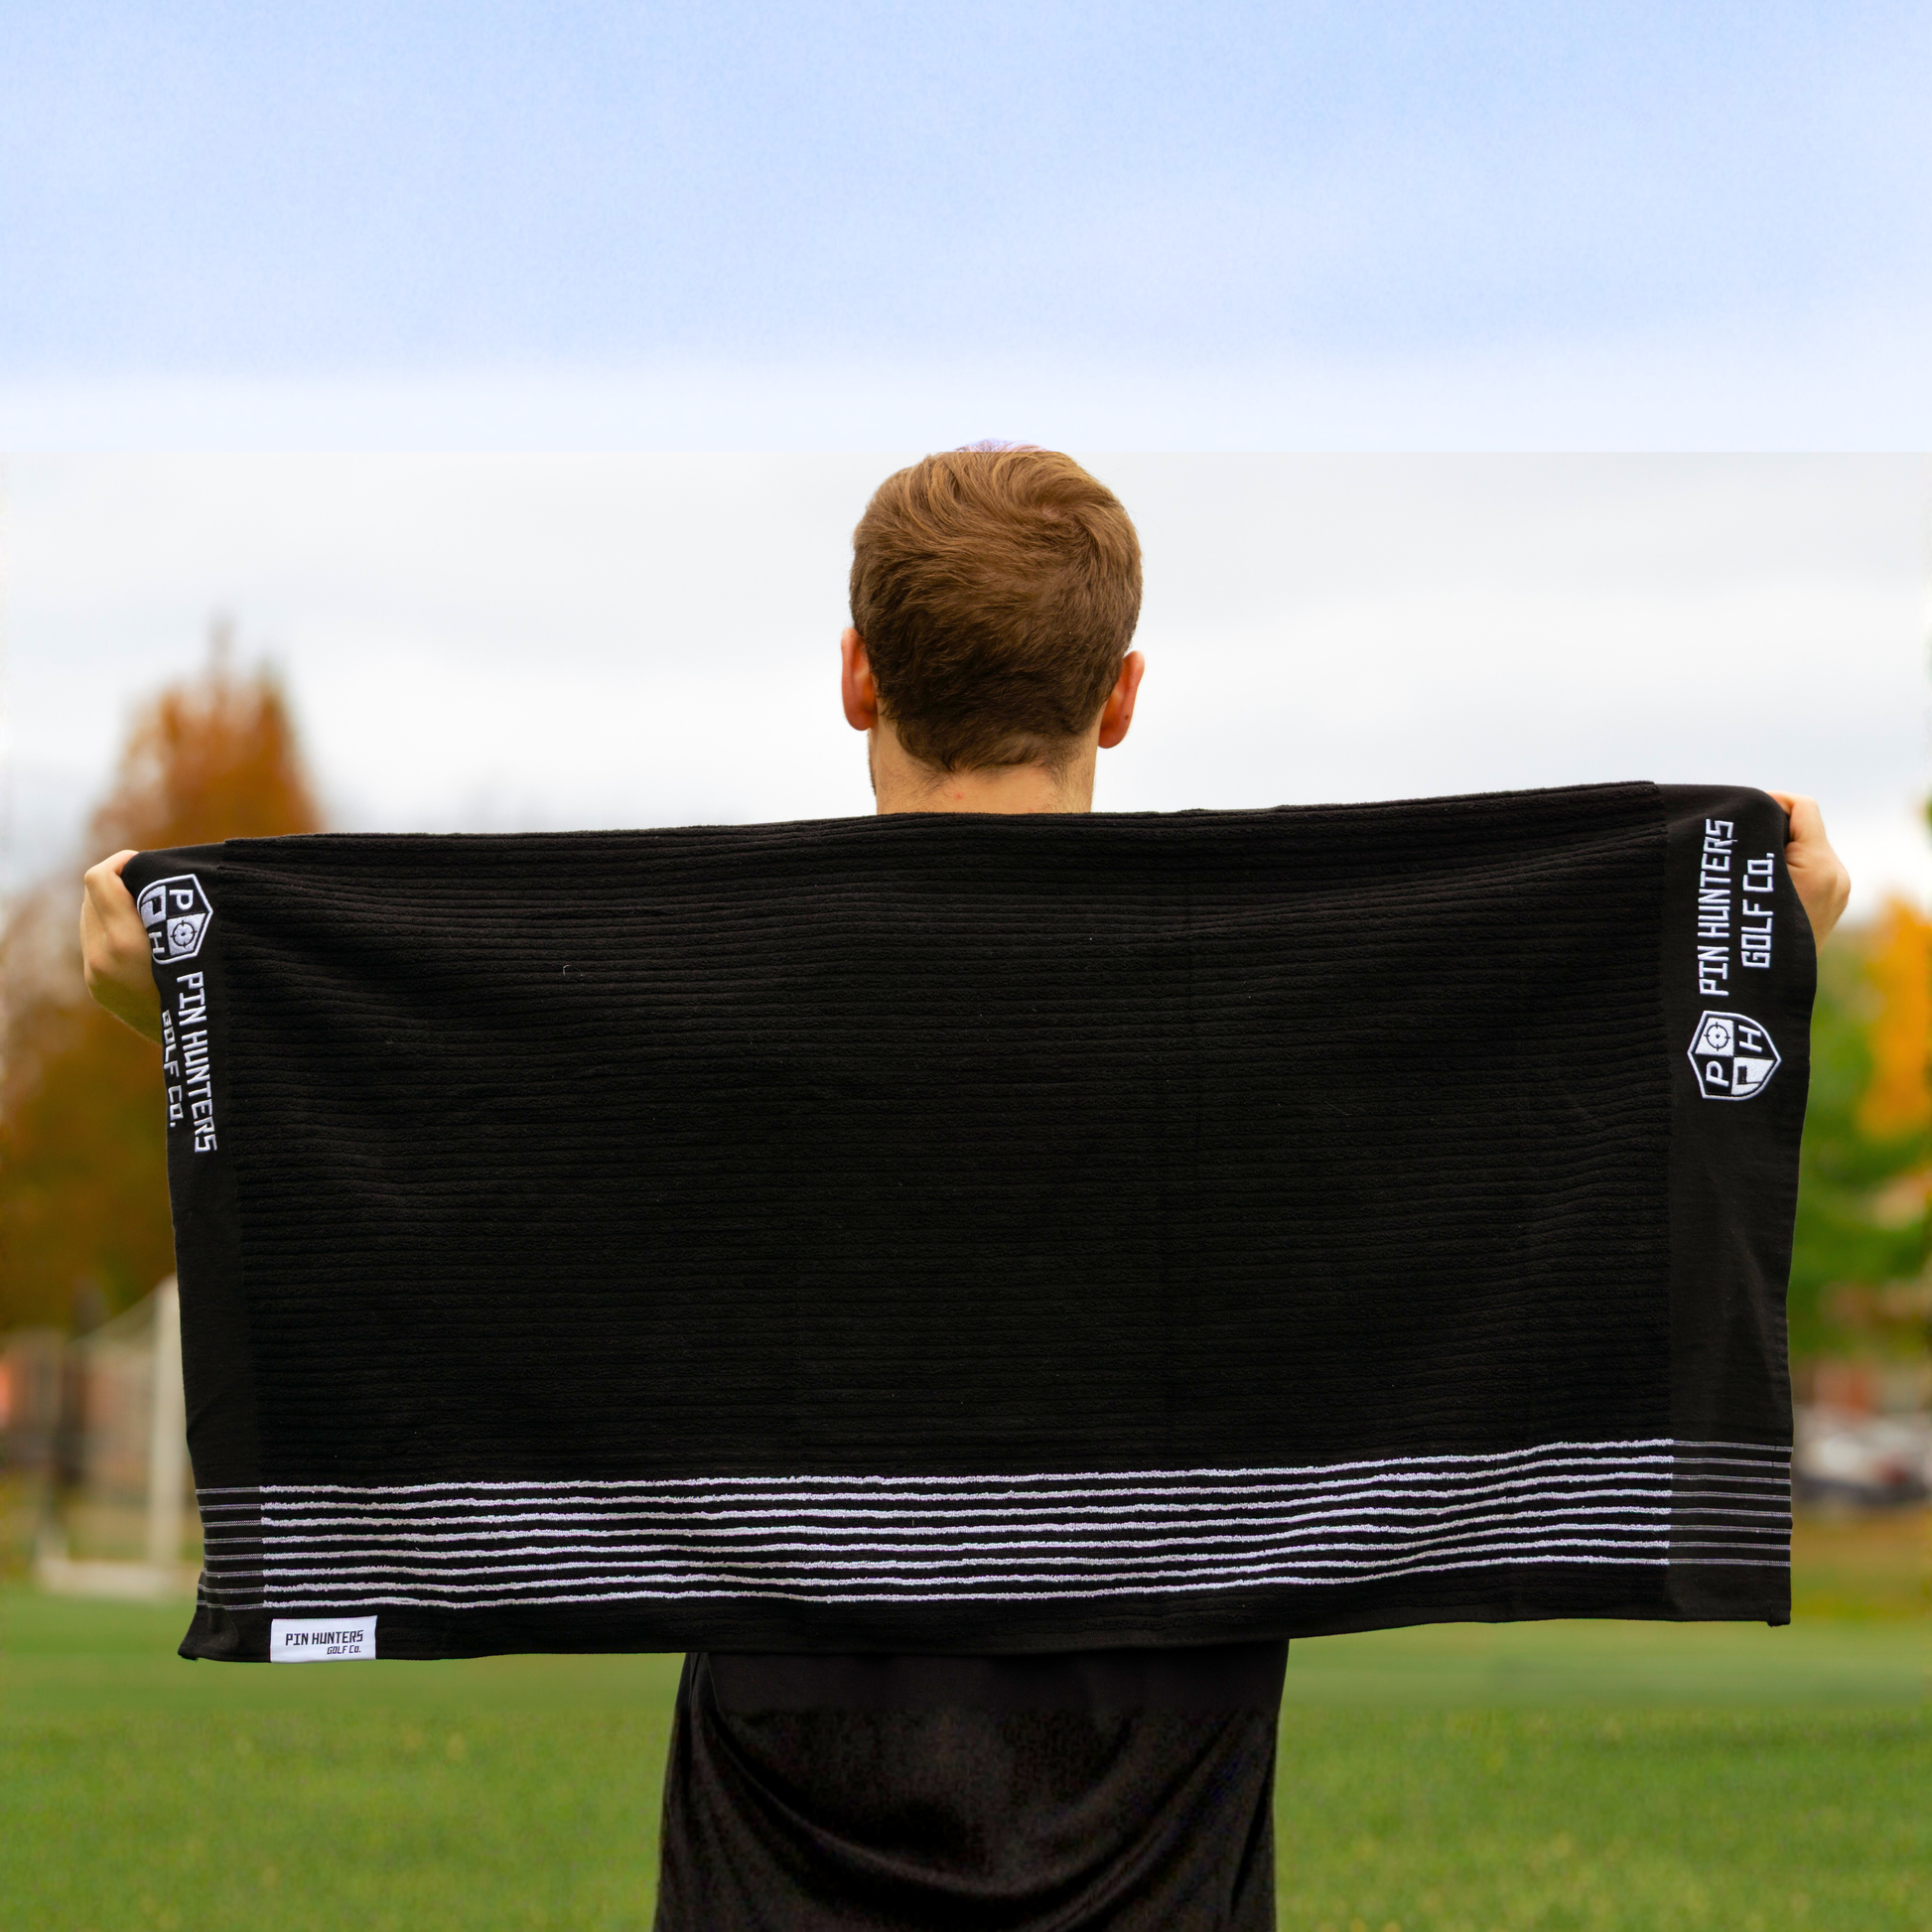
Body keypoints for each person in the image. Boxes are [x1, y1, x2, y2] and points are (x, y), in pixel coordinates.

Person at [82, 448, 1853, 1928]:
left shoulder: (686, 1001)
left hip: (778, 1808)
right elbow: (1548, 1072)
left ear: (856, 674)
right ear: (1122, 695)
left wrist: (196, 965)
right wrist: (1752, 943)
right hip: (1164, 1796)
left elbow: (426, 1082)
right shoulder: (1272, 1009)